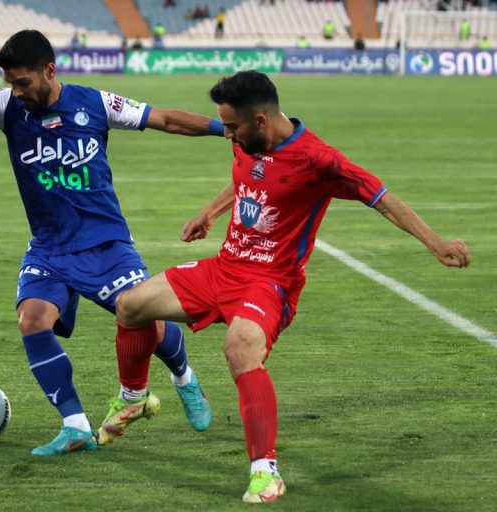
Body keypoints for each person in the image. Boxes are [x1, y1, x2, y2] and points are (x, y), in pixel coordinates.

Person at [101, 70, 470, 502]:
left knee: (240, 348)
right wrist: (210, 213)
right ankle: (134, 397)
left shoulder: (318, 160)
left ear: (260, 120)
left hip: (270, 283)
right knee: (130, 305)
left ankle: (265, 472)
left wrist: (436, 243)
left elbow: (381, 197)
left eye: (233, 126)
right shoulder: (248, 141)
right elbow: (248, 177)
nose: (228, 134)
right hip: (224, 268)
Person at [0, 29, 220, 456]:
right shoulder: (6, 105)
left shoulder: (95, 103)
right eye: (11, 82)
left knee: (151, 326)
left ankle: (185, 379)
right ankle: (75, 426)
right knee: (32, 321)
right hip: (49, 248)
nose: (17, 91)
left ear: (49, 71)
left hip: (105, 243)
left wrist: (224, 129)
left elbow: (163, 119)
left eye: (23, 82)